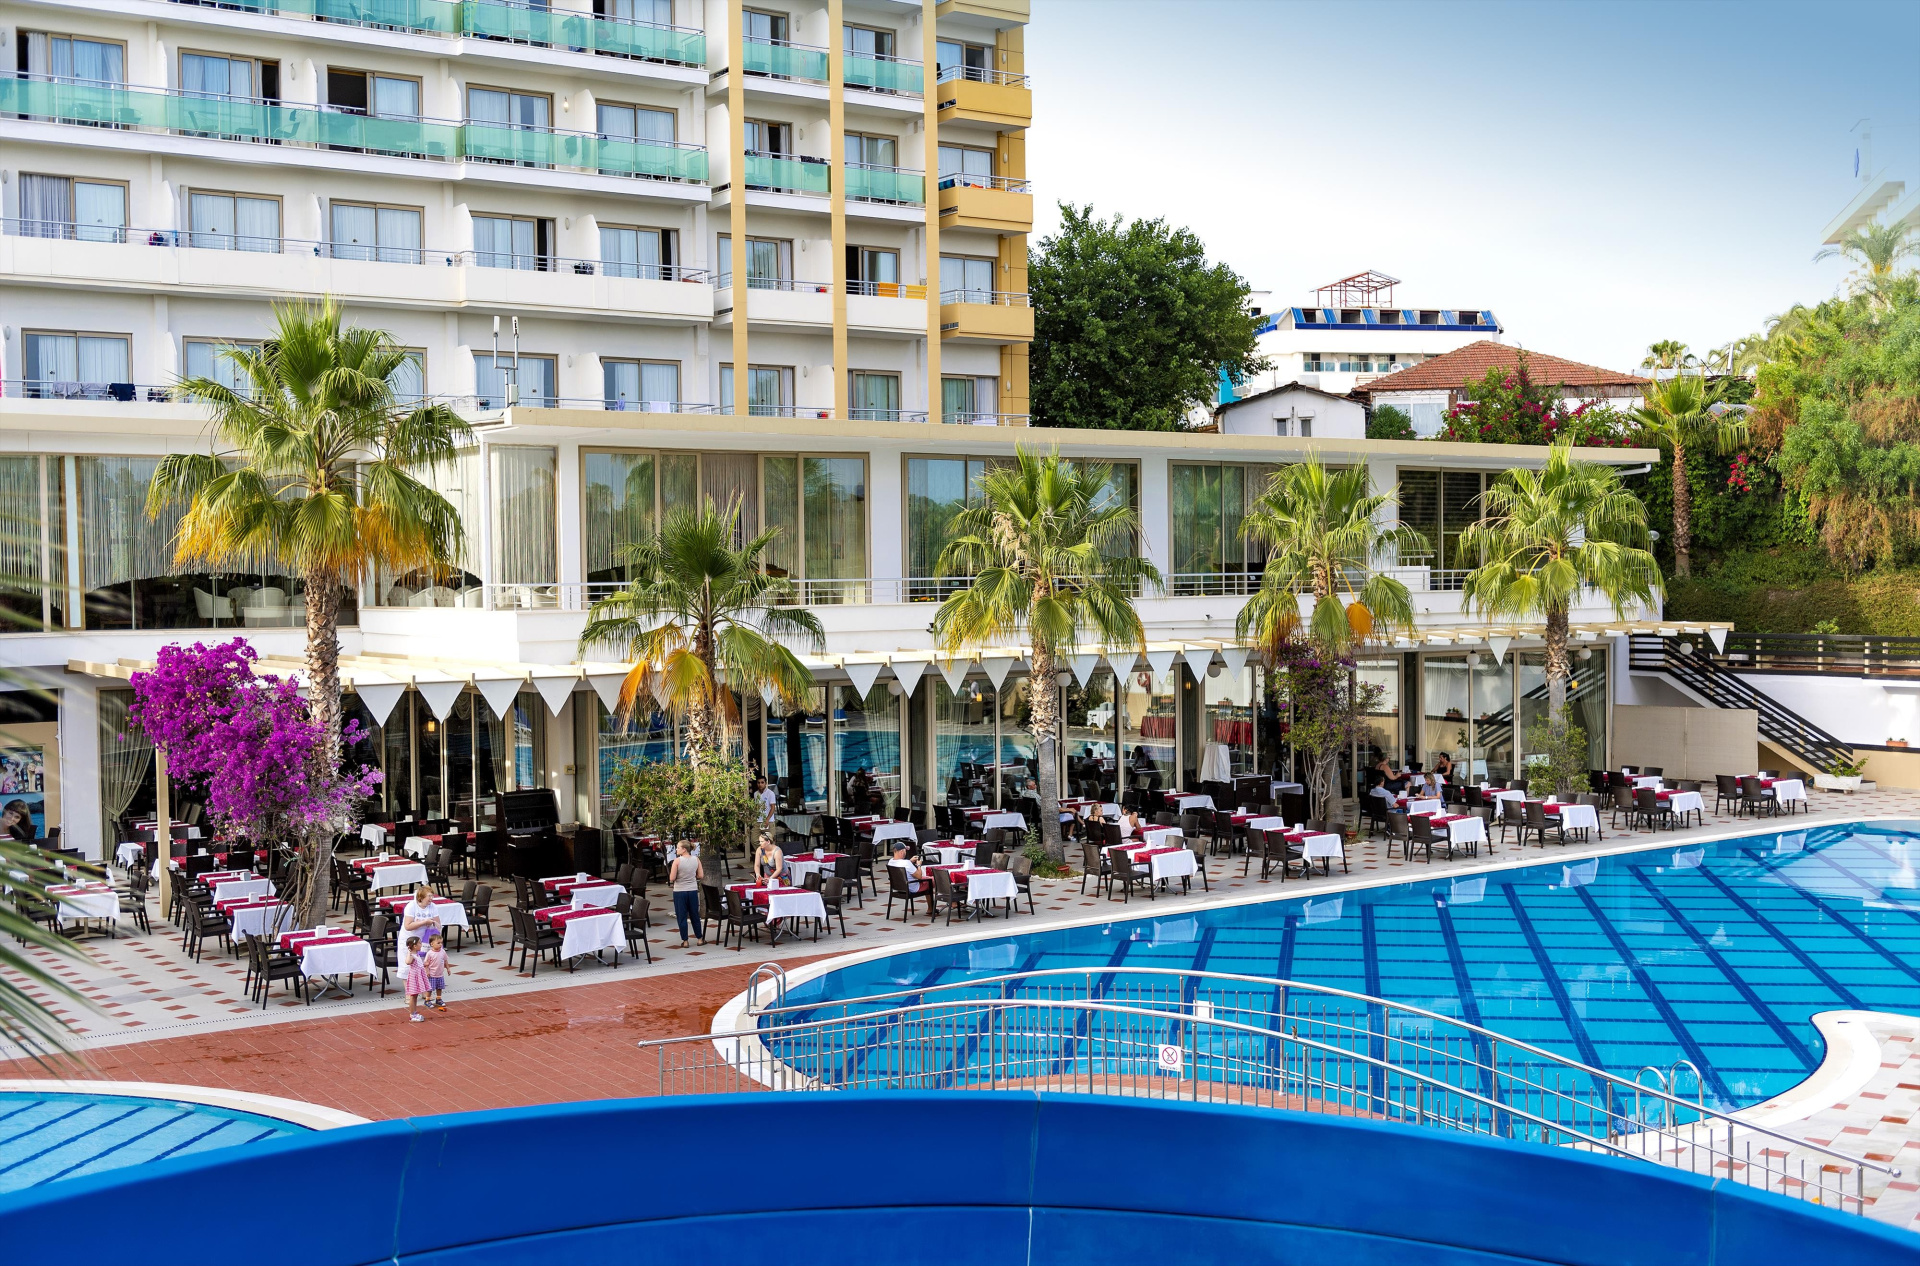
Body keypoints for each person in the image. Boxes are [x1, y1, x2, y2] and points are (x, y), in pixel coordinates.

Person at [668, 840, 704, 947]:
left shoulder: (677, 861)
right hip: (692, 890)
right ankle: (700, 938)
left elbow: (672, 878)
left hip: (679, 891)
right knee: (694, 915)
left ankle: (685, 941)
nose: (676, 849)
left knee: (682, 916)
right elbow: (701, 875)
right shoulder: (696, 859)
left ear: (684, 849)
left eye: (678, 847)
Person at [400, 886, 440, 965]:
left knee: (424, 965)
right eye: (429, 896)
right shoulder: (411, 906)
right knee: (408, 966)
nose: (431, 898)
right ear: (421, 897)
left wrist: (433, 923)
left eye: (432, 896)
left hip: (424, 941)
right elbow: (407, 926)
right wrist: (424, 922)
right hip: (410, 940)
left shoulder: (433, 906)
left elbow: (438, 925)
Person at [403, 936, 429, 1022]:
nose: (421, 945)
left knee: (415, 995)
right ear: (414, 946)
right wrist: (409, 952)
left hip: (418, 976)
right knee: (413, 995)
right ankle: (412, 1014)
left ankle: (414, 1012)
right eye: (419, 943)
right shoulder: (412, 955)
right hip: (414, 977)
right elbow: (408, 962)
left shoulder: (416, 954)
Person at [422, 935, 448, 1011]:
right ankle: (427, 1000)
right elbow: (426, 964)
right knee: (430, 988)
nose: (440, 944)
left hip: (440, 974)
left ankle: (438, 999)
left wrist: (448, 968)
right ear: (432, 944)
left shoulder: (442, 951)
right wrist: (427, 971)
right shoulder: (430, 953)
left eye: (441, 943)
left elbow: (445, 960)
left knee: (439, 987)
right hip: (432, 974)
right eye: (438, 943)